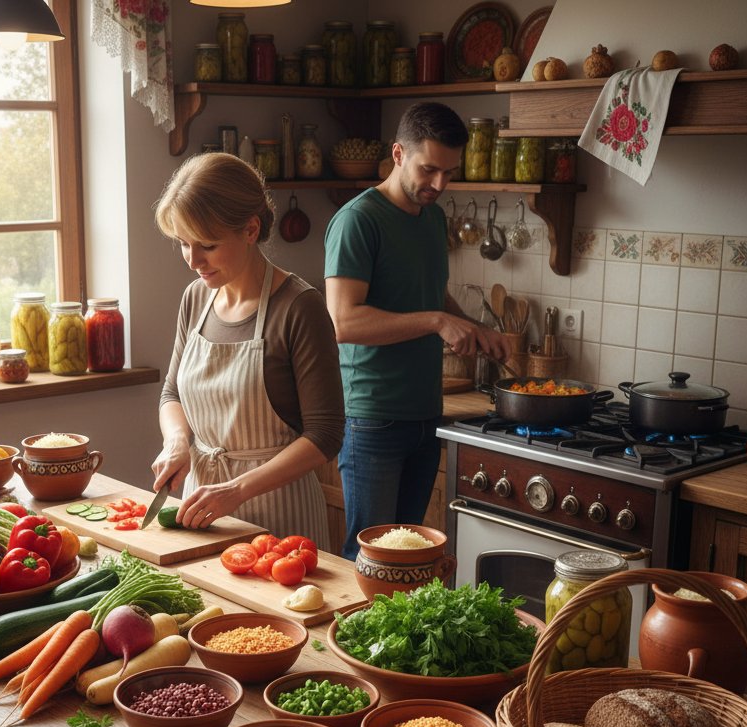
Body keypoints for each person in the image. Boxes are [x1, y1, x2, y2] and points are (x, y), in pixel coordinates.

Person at [324, 101, 511, 559]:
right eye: (429, 170)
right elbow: (344, 321)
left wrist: (471, 326)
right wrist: (437, 321)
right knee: (370, 557)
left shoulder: (432, 218)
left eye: (449, 173)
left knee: (411, 555)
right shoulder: (358, 220)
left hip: (426, 413)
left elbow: (431, 295)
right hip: (373, 417)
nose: (439, 185)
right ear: (398, 154)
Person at [152, 152, 344, 549]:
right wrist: (177, 442)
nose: (193, 261)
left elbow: (325, 435)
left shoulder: (299, 307)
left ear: (251, 229)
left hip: (282, 518)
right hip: (202, 508)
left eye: (206, 244)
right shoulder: (195, 300)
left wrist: (235, 490)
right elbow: (172, 394)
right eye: (183, 244)